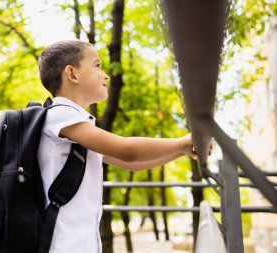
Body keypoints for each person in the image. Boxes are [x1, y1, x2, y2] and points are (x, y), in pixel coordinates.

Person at [37, 39, 210, 253]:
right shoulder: (60, 115)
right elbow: (127, 151)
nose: (106, 75)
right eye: (97, 65)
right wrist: (183, 141)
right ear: (72, 74)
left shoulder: (77, 127)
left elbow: (132, 164)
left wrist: (181, 150)